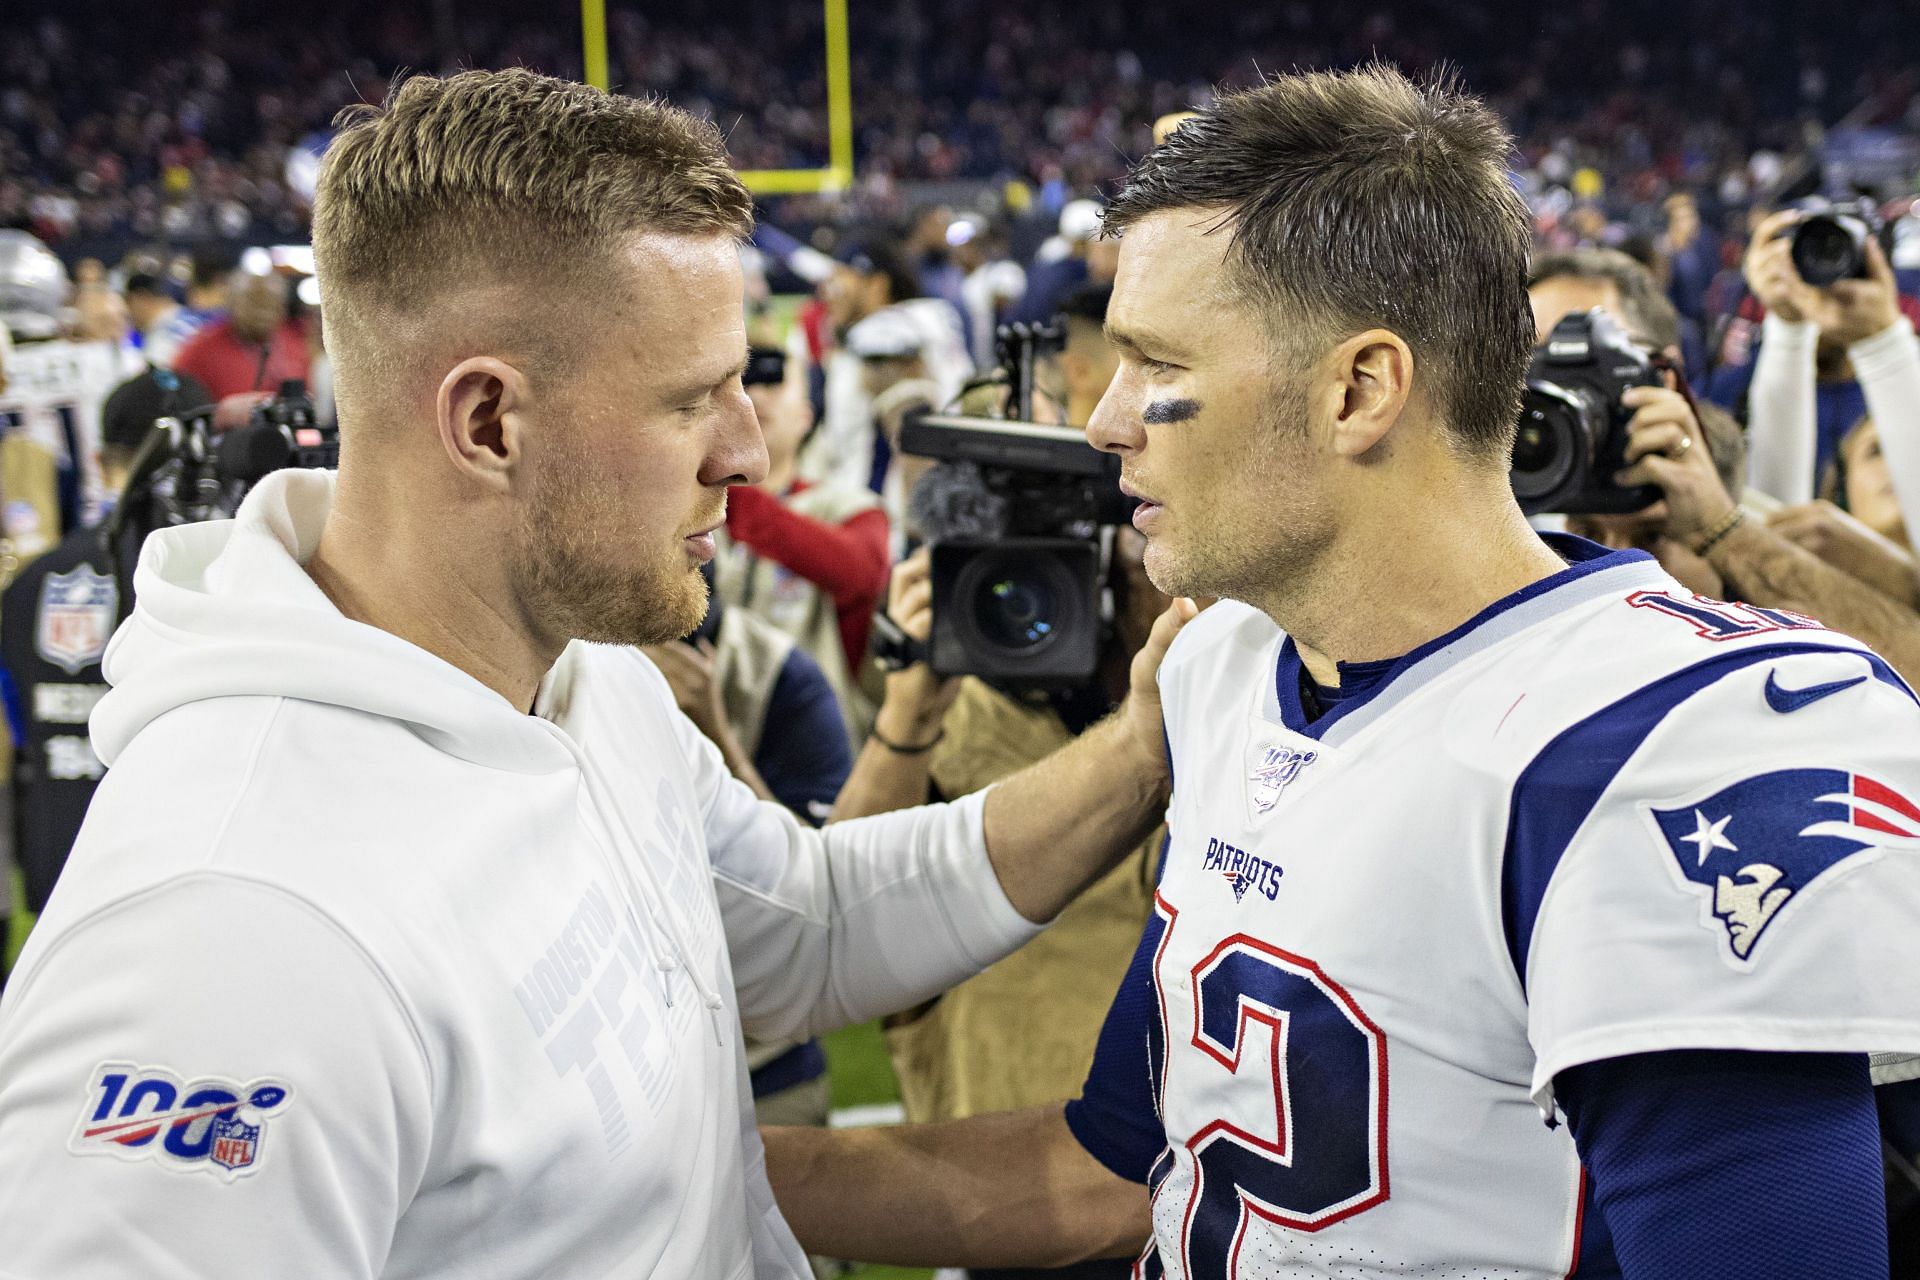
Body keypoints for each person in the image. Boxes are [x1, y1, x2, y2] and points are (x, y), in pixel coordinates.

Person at [0, 69, 1181, 1280]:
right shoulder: (232, 926)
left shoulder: (575, 672)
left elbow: (811, 921)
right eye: (693, 397)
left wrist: (1141, 746)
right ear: (491, 423)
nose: (751, 449)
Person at [763, 65, 1920, 1277]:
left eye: (1157, 366)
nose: (1105, 421)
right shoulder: (1223, 664)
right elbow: (1115, 1165)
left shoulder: (1665, 743)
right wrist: (676, 1177)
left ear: (1359, 389)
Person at [1, 366, 212, 950]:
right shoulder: (213, 578)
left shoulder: (30, 583)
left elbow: (19, 723)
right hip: (179, 876)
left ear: (99, 461)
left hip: (60, 878)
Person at [717, 347, 889, 742]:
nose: (755, 395)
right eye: (742, 381)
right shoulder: (689, 510)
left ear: (807, 416)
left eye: (774, 380)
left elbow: (860, 573)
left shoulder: (851, 508)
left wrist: (729, 482)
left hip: (817, 746)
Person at [170, 268, 310, 401]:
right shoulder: (200, 351)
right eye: (254, 302)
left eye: (272, 303)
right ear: (231, 303)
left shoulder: (295, 345)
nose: (263, 311)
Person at [123, 272, 186, 369]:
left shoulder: (162, 334)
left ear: (140, 298)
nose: (126, 311)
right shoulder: (188, 316)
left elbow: (153, 377)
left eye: (127, 302)